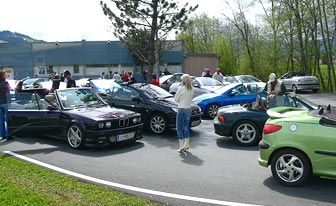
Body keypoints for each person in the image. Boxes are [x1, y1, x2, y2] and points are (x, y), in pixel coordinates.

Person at [174, 74, 194, 153]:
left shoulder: (181, 88)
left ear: (183, 80)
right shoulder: (191, 89)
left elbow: (175, 99)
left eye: (181, 79)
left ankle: (181, 146)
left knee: (179, 128)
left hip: (181, 109)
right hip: (189, 109)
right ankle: (186, 144)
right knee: (186, 127)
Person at [0, 70, 13, 140]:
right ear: (2, 76)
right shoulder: (5, 83)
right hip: (5, 102)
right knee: (8, 119)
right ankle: (8, 134)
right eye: (5, 75)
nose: (6, 76)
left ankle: (2, 135)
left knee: (1, 120)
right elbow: (8, 93)